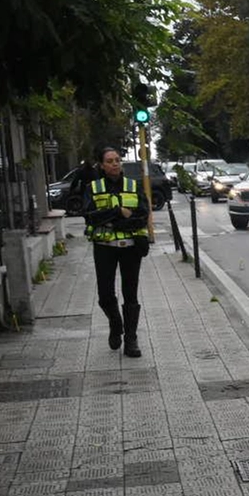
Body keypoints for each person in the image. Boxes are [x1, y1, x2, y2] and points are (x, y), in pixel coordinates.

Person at [83, 147, 151, 358]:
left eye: (117, 160)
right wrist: (117, 211)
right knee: (105, 295)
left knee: (130, 293)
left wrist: (119, 223)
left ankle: (131, 339)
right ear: (102, 165)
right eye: (110, 161)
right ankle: (115, 323)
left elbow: (142, 212)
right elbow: (90, 216)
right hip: (104, 248)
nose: (115, 164)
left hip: (131, 247)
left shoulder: (133, 185)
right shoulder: (93, 187)